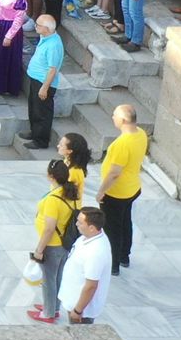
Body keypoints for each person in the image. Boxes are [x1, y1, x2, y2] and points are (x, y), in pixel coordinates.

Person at [28, 160, 82, 324]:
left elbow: (49, 228)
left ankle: (48, 313)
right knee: (57, 277)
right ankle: (53, 307)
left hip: (52, 244)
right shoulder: (71, 193)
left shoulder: (53, 199)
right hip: (65, 243)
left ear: (51, 176)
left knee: (48, 279)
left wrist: (39, 249)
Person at [99, 104, 148, 274]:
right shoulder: (140, 133)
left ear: (122, 120)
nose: (112, 118)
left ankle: (113, 265)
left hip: (116, 193)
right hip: (132, 188)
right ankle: (124, 256)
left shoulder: (122, 143)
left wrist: (101, 191)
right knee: (125, 222)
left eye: (114, 115)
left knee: (112, 229)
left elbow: (114, 173)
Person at [59, 207, 113, 324]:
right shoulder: (89, 236)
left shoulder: (96, 252)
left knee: (79, 337)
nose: (76, 224)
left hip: (82, 310)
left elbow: (91, 286)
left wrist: (78, 311)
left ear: (92, 228)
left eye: (80, 222)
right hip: (73, 300)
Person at [21, 14, 65, 149]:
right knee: (33, 107)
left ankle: (41, 140)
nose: (35, 26)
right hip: (36, 78)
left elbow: (53, 69)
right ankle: (34, 132)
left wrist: (45, 87)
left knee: (42, 112)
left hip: (44, 82)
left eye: (38, 25)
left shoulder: (54, 45)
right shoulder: (45, 37)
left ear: (47, 28)